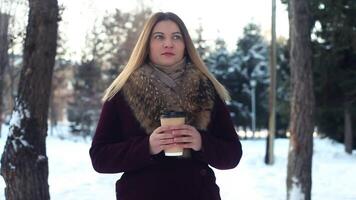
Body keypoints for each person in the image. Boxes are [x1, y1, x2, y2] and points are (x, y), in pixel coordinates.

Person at [89, 12, 243, 200]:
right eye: (159, 37)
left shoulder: (207, 89)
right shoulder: (121, 91)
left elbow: (232, 154)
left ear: (185, 44)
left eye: (176, 37)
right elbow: (100, 158)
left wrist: (201, 142)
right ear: (147, 44)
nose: (168, 43)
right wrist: (147, 147)